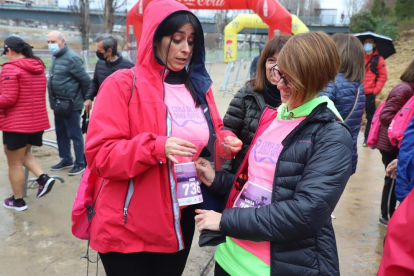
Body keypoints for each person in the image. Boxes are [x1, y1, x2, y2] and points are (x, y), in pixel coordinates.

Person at [84, 1, 241, 275]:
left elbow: (211, 131)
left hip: (181, 216)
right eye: (177, 39)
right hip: (129, 222)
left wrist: (225, 141)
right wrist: (155, 146)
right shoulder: (122, 84)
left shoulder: (198, 87)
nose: (186, 49)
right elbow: (100, 157)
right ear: (155, 38)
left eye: (191, 41)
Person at [195, 32, 353, 276]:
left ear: (312, 78)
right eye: (279, 74)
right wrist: (217, 179)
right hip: (230, 255)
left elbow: (305, 213)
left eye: (289, 80)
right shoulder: (274, 117)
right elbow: (254, 184)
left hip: (273, 266)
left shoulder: (331, 135)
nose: (279, 85)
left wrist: (225, 221)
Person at [0, 37, 55, 211]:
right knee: (22, 155)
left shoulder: (10, 68)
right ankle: (43, 178)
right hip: (36, 122)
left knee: (14, 162)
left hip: (16, 124)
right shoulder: (38, 67)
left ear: (9, 51)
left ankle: (18, 201)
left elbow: (8, 99)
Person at [223, 35, 291, 174]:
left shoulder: (297, 100)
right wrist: (224, 180)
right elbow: (227, 133)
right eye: (271, 60)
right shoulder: (246, 94)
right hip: (242, 177)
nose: (275, 67)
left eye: (283, 61)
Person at [319, 33, 366, 175]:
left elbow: (317, 118)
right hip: (346, 155)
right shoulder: (359, 87)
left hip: (324, 156)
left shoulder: (330, 83)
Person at [46, 31, 91, 175]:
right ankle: (66, 159)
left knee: (74, 134)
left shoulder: (72, 58)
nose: (50, 45)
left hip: (71, 104)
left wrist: (86, 99)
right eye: (48, 42)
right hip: (58, 103)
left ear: (62, 41)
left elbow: (85, 81)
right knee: (61, 133)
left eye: (53, 41)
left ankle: (80, 162)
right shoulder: (56, 56)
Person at [376, 59, 414, 226]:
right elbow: (386, 116)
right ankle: (387, 216)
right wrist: (403, 123)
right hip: (391, 144)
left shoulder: (408, 89)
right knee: (392, 180)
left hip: (398, 142)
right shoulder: (404, 89)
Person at [83, 34, 134, 113]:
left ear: (109, 51)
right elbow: (95, 83)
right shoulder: (100, 64)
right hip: (102, 108)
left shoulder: (129, 67)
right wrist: (88, 98)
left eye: (99, 51)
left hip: (121, 110)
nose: (97, 53)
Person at [362, 36, 387, 147]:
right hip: (358, 92)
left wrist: (375, 91)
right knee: (355, 116)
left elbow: (383, 76)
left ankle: (367, 139)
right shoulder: (359, 57)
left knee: (370, 117)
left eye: (370, 42)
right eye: (366, 42)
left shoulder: (378, 59)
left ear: (374, 44)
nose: (367, 44)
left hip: (370, 94)